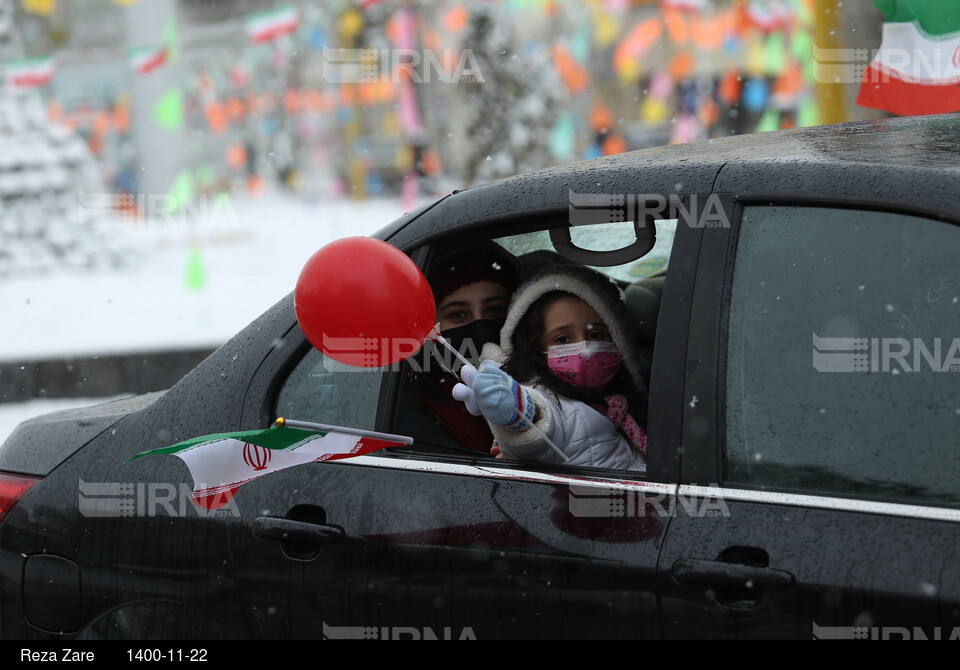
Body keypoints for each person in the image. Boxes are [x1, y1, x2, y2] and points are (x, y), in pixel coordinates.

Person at [453, 265, 647, 471]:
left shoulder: (625, 402)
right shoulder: (550, 399)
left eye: (597, 335)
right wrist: (517, 409)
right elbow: (539, 426)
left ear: (618, 339)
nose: (585, 349)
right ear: (535, 349)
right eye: (563, 339)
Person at [395, 241, 521, 453]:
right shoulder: (407, 409)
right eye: (458, 314)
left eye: (495, 309)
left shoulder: (545, 383)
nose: (480, 327)